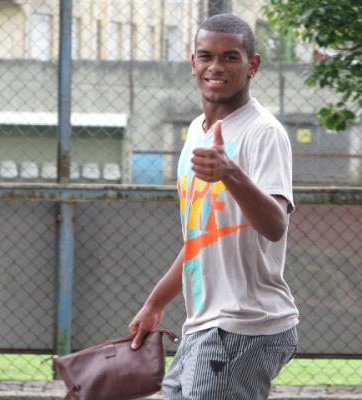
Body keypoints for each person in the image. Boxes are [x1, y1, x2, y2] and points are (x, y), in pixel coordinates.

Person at [128, 13, 299, 400]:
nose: (215, 67)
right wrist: (155, 303)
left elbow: (275, 225)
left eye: (230, 57)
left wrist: (229, 172)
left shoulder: (263, 132)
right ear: (193, 63)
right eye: (206, 56)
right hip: (204, 325)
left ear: (253, 65)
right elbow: (200, 239)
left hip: (245, 324)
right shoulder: (196, 131)